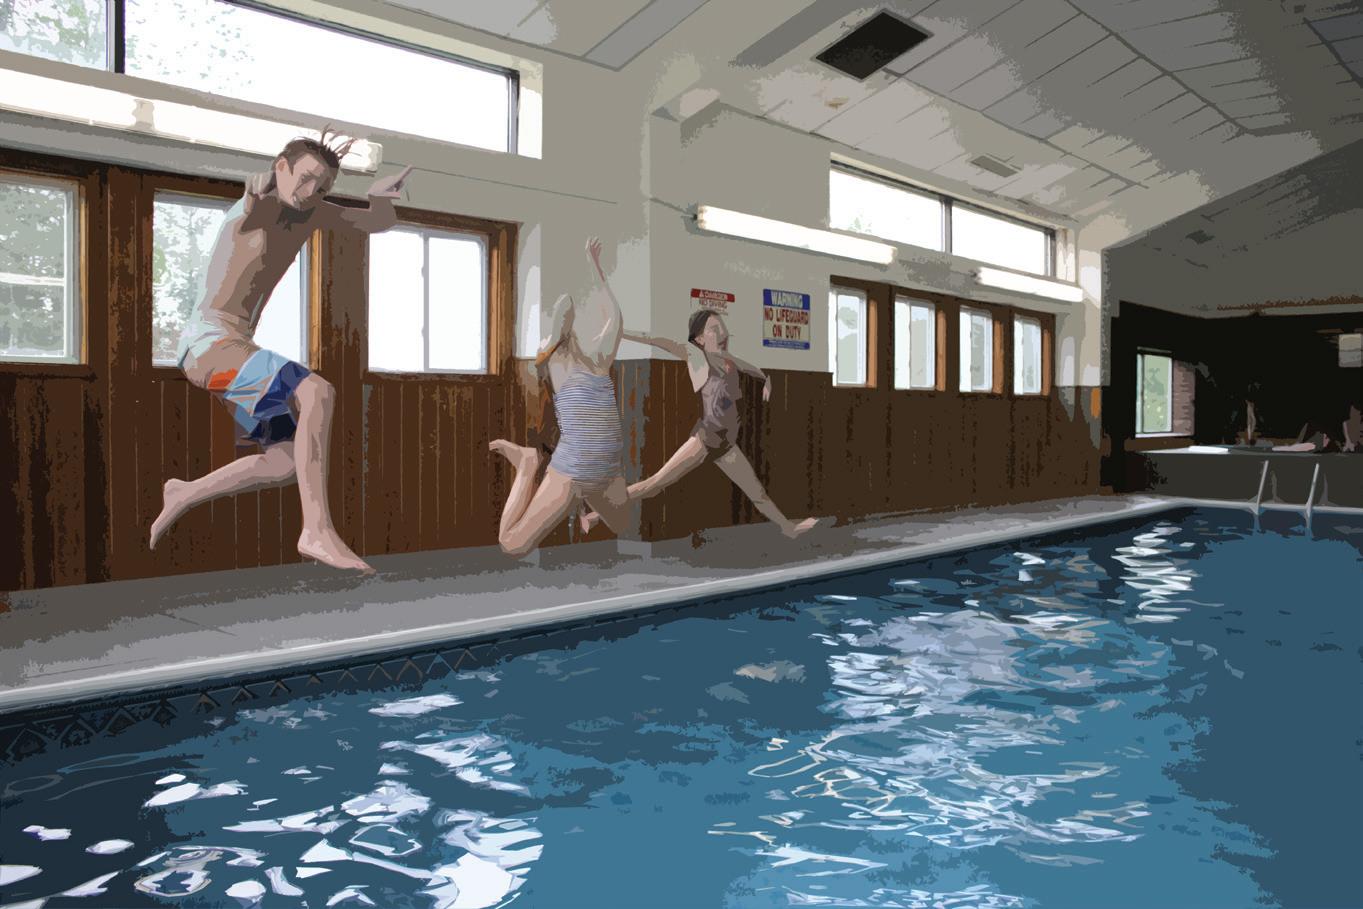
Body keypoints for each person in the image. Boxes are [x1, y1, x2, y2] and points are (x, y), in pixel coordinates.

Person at [150, 129, 414, 573]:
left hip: (227, 357)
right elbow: (254, 203)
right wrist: (256, 191)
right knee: (317, 391)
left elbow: (376, 223)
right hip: (208, 346)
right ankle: (316, 530)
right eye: (304, 178)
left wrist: (379, 199)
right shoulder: (258, 208)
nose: (310, 192)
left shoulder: (312, 212)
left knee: (285, 460)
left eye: (322, 187)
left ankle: (184, 492)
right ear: (281, 167)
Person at [580, 309, 819, 539]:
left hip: (726, 445)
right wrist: (621, 333)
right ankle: (596, 514)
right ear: (700, 339)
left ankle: (788, 528)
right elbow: (656, 340)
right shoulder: (697, 358)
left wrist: (766, 380)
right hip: (705, 440)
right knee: (654, 484)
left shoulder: (728, 360)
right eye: (714, 329)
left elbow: (752, 368)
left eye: (722, 327)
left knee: (757, 493)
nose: (722, 333)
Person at [489, 238, 632, 556]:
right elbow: (564, 311)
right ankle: (527, 465)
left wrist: (596, 269)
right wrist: (557, 331)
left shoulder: (597, 359)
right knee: (512, 545)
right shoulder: (556, 362)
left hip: (607, 470)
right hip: (572, 470)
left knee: (622, 523)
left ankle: (584, 506)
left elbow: (615, 319)